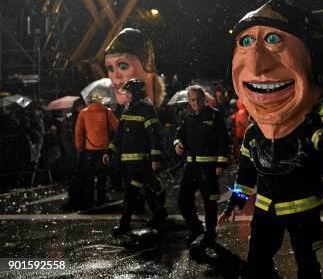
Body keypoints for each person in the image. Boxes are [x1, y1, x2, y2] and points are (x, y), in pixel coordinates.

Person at [218, 0, 323, 278]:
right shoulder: (254, 134)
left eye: (274, 39)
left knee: (307, 264)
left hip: (302, 208)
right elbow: (246, 174)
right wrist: (235, 203)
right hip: (266, 209)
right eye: (245, 42)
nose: (256, 64)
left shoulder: (307, 130)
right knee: (258, 262)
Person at [103, 78, 167, 236]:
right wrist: (109, 151)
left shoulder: (146, 109)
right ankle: (159, 214)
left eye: (129, 92)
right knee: (145, 190)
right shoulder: (127, 109)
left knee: (131, 193)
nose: (126, 95)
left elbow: (154, 135)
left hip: (141, 160)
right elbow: (119, 135)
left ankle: (124, 225)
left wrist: (155, 158)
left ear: (137, 93)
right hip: (128, 161)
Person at [174, 85, 230, 249]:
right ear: (189, 101)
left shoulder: (215, 115)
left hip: (209, 167)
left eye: (198, 99)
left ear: (204, 98)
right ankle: (196, 228)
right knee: (183, 200)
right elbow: (178, 135)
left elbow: (223, 140)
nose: (195, 102)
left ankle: (210, 233)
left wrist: (220, 162)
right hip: (191, 166)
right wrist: (177, 144)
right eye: (192, 99)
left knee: (210, 202)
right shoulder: (187, 116)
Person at [74, 94, 119, 207]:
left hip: (89, 149)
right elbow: (117, 128)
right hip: (103, 150)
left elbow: (78, 132)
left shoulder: (83, 112)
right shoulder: (107, 111)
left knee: (89, 176)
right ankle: (101, 199)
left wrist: (79, 147)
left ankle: (89, 199)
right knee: (102, 176)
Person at [104, 28, 166, 108]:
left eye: (123, 66)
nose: (116, 75)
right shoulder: (111, 115)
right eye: (110, 68)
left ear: (147, 65)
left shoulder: (166, 115)